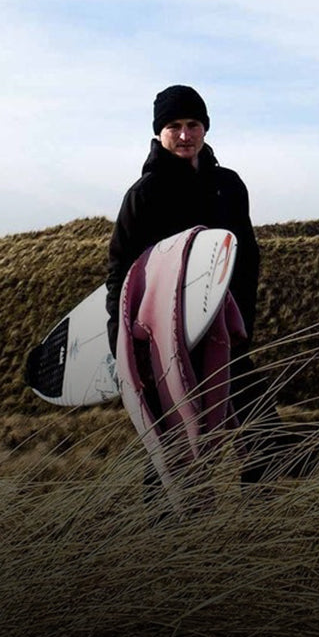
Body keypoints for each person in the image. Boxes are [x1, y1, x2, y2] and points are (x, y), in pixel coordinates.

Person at [106, 84, 281, 484]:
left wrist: (243, 324)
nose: (185, 135)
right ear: (159, 132)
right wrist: (123, 346)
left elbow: (247, 257)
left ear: (205, 128)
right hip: (168, 342)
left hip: (223, 331)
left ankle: (265, 518)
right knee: (172, 439)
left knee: (259, 428)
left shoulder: (229, 185)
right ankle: (170, 534)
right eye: (174, 126)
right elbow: (121, 274)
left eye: (193, 124)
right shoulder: (144, 195)